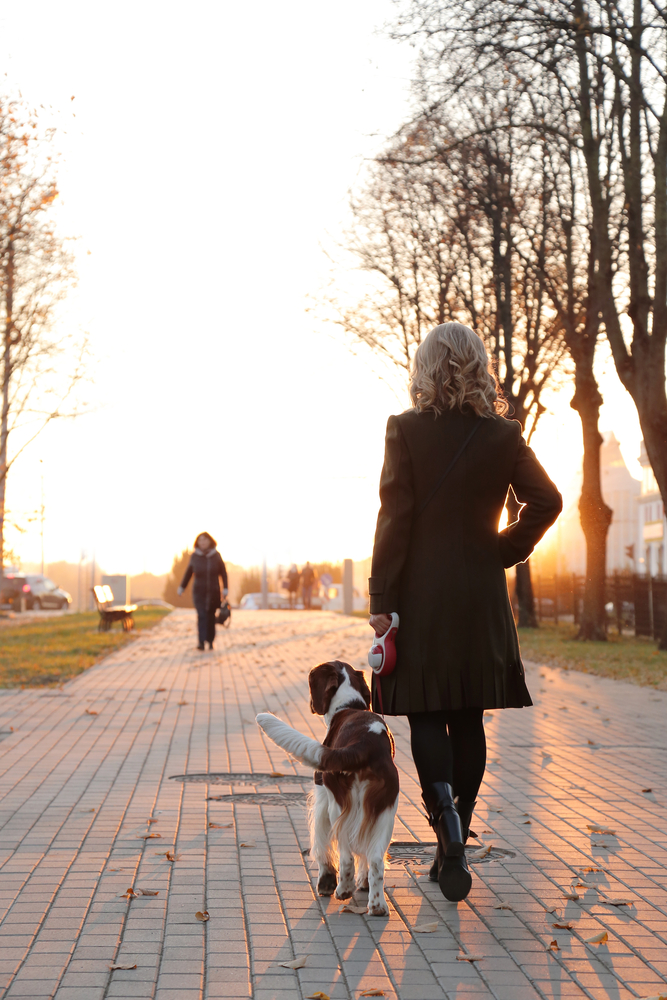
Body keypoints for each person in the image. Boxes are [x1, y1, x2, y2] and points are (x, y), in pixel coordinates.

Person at [368, 322, 562, 903]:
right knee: (468, 716)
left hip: (420, 599)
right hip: (479, 600)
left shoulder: (403, 430)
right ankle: (456, 833)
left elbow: (394, 519)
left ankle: (445, 829)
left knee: (426, 714)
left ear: (425, 369)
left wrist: (382, 603)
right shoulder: (503, 435)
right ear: (478, 366)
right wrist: (502, 550)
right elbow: (548, 500)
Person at [178, 532, 228, 650]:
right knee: (201, 616)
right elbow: (188, 573)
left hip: (214, 592)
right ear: (197, 543)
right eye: (200, 540)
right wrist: (182, 587)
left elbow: (223, 573)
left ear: (210, 541)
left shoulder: (216, 556)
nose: (203, 542)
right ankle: (201, 642)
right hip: (199, 592)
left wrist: (225, 588)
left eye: (205, 540)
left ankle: (210, 641)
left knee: (210, 616)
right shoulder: (195, 556)